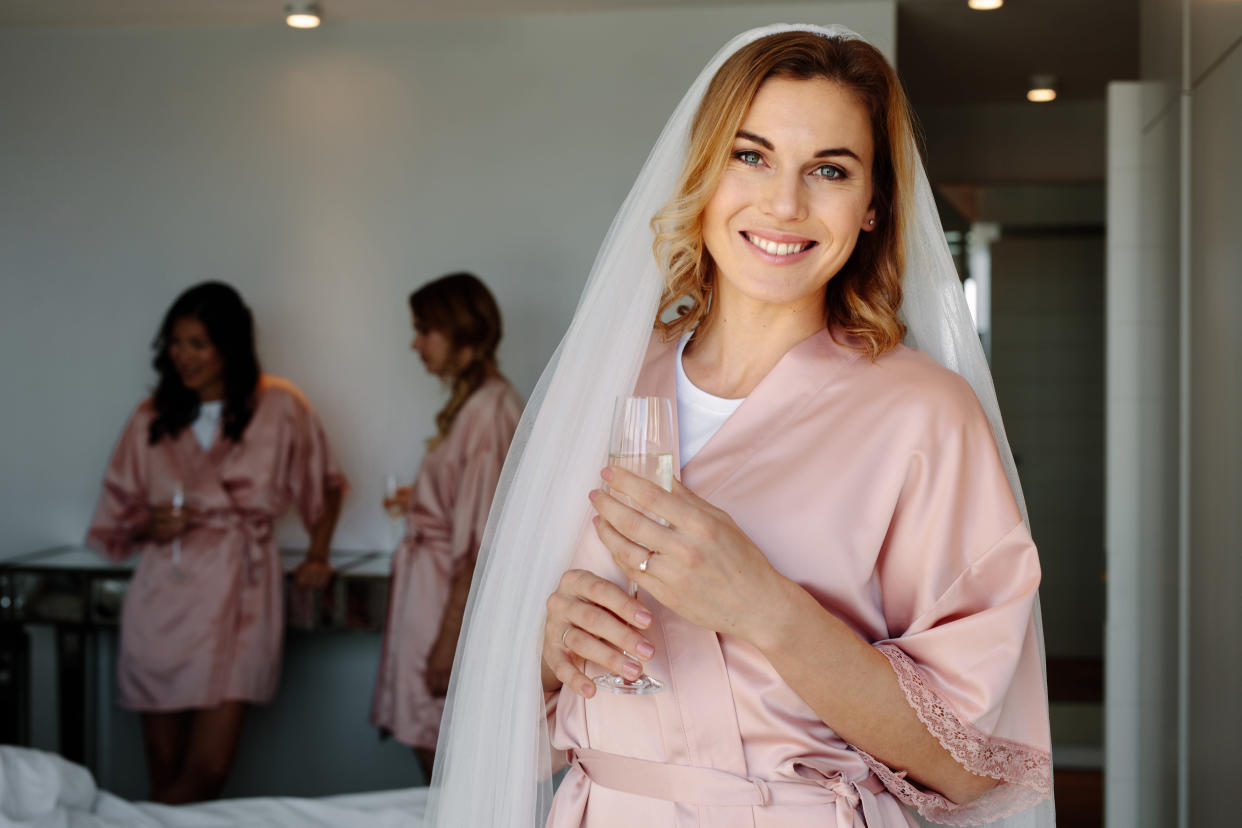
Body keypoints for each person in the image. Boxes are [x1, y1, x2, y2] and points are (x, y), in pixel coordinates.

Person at [424, 24, 1054, 828]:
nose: (783, 204)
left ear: (872, 207)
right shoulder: (605, 380)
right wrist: (550, 654)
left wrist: (765, 607)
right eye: (750, 156)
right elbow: (509, 713)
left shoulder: (924, 416)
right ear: (703, 174)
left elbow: (976, 768)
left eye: (829, 169)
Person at [86, 281, 345, 804]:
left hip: (241, 595)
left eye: (198, 343)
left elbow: (328, 484)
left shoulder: (280, 405)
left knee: (207, 771)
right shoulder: (151, 418)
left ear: (229, 346)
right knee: (163, 773)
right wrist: (148, 526)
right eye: (175, 343)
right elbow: (116, 519)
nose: (183, 356)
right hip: (164, 596)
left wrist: (318, 553)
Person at [370, 272, 523, 780]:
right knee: (431, 750)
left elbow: (483, 542)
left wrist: (447, 643)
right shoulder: (472, 408)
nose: (415, 344)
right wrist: (424, 501)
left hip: (445, 605)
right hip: (428, 592)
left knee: (446, 756)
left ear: (461, 332)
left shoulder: (489, 412)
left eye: (424, 330)